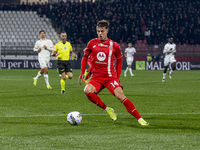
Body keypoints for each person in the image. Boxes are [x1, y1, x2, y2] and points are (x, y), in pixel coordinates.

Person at [79, 20, 149, 126]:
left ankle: (140, 119)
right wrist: (82, 73)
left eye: (102, 31)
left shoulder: (114, 45)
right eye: (98, 31)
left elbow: (119, 60)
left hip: (110, 77)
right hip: (97, 77)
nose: (100, 33)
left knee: (120, 95)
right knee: (87, 91)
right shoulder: (92, 43)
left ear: (107, 31)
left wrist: (117, 76)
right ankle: (108, 109)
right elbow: (85, 57)